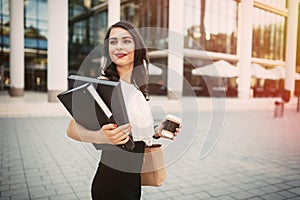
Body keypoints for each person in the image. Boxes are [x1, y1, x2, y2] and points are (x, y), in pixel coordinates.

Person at [66, 21, 181, 200]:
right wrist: (101, 137)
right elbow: (71, 128)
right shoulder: (104, 84)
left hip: (133, 181)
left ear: (137, 47)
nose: (118, 46)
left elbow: (133, 131)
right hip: (112, 183)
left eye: (126, 41)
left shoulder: (136, 85)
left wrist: (157, 132)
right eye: (113, 42)